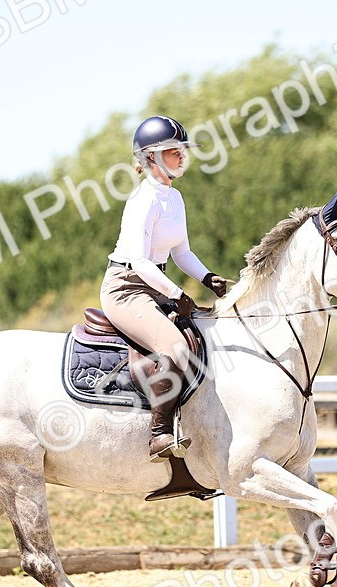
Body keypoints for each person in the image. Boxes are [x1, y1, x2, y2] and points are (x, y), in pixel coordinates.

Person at [101, 115, 229, 462]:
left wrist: (207, 278)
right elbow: (140, 262)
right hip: (126, 288)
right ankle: (159, 435)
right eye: (174, 151)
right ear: (152, 157)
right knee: (175, 347)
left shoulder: (174, 198)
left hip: (154, 285)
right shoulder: (143, 201)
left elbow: (182, 252)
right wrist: (177, 294)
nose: (182, 157)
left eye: (182, 151)